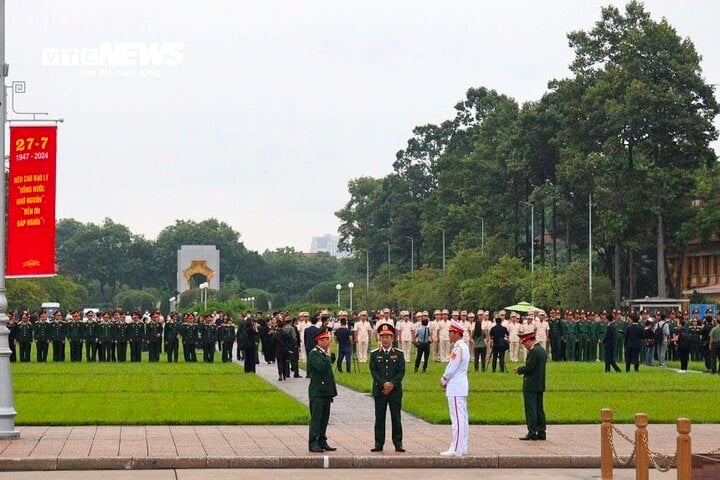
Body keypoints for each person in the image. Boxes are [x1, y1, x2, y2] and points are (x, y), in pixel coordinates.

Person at [369, 324, 405, 453]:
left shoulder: (399, 354)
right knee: (380, 417)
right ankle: (379, 443)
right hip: (380, 390)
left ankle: (398, 442)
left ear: (392, 338)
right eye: (382, 337)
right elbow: (374, 371)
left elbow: (401, 372)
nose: (385, 340)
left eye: (387, 337)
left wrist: (391, 385)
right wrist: (384, 383)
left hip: (394, 391)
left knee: (396, 417)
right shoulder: (374, 354)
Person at [439, 320, 470, 457]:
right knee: (462, 417)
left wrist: (444, 378)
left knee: (457, 419)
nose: (449, 335)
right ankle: (462, 446)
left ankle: (456, 448)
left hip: (456, 386)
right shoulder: (463, 347)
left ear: (457, 333)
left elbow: (452, 366)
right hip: (460, 385)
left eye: (451, 332)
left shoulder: (458, 348)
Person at [307, 328, 338, 453]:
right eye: (325, 340)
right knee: (317, 418)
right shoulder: (314, 353)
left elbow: (331, 362)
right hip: (318, 391)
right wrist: (328, 357)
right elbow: (321, 367)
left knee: (324, 418)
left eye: (328, 339)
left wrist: (328, 356)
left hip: (326, 390)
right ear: (319, 341)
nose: (328, 342)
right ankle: (313, 441)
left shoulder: (323, 353)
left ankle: (322, 440)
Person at [515, 330, 547, 441]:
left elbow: (529, 367)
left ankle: (532, 432)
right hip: (539, 383)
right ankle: (541, 432)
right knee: (539, 409)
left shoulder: (534, 351)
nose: (525, 346)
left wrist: (519, 369)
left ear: (529, 340)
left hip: (531, 384)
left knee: (531, 409)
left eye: (524, 343)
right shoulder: (542, 350)